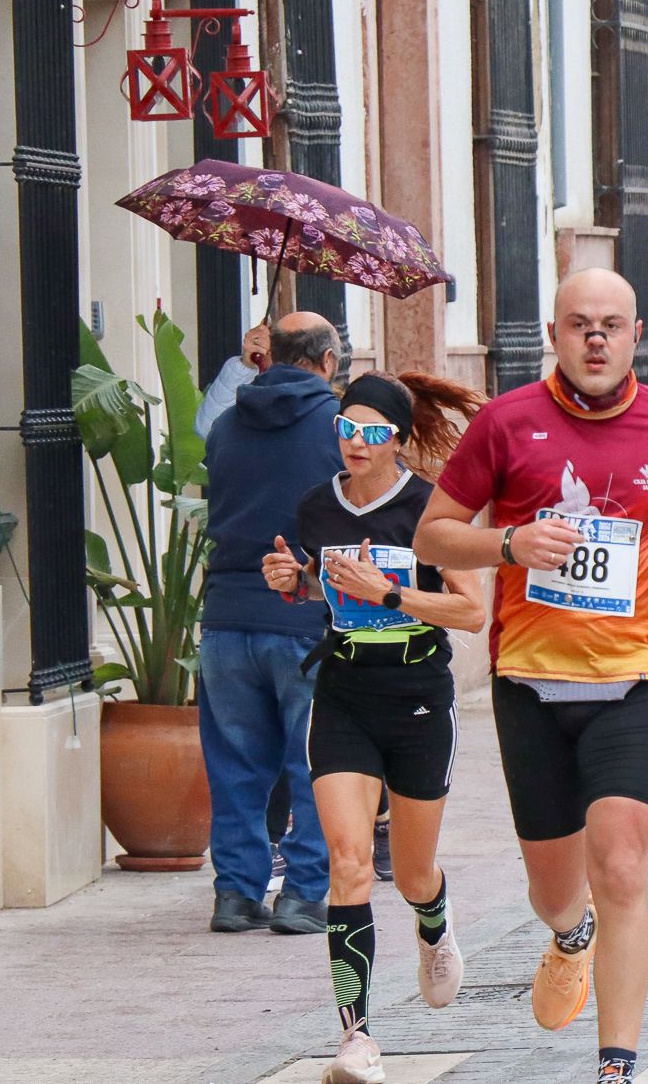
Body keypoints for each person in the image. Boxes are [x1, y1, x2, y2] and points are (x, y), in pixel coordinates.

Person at [413, 268, 648, 1084]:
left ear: (635, 335)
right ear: (554, 334)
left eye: (612, 324)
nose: (596, 338)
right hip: (531, 686)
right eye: (580, 323)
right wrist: (508, 544)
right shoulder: (505, 422)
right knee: (555, 889)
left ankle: (615, 1065)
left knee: (621, 867)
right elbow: (433, 535)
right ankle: (568, 932)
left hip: (634, 682)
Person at [260, 371, 487, 1083]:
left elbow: (471, 611)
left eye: (373, 432)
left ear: (398, 438)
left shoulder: (428, 510)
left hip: (418, 695)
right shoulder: (316, 507)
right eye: (346, 428)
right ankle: (356, 1038)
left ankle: (434, 920)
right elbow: (325, 588)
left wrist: (389, 593)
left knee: (412, 872)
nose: (356, 443)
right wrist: (295, 581)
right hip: (344, 692)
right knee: (349, 863)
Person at [198, 313, 345, 935]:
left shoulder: (226, 425)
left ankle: (236, 894)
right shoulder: (339, 427)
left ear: (273, 354)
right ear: (328, 360)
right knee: (313, 763)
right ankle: (304, 895)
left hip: (227, 615)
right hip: (304, 613)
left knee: (236, 766)